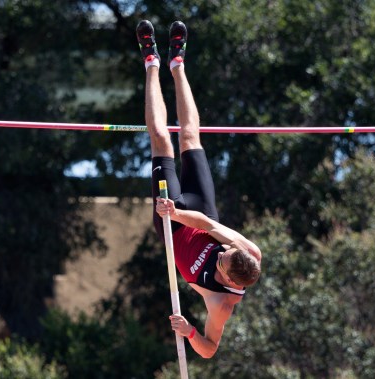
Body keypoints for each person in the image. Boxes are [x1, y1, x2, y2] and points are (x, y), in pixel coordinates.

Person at [136, 19, 263, 359]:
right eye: (228, 251)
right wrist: (177, 210)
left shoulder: (221, 304)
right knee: (190, 137)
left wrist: (190, 331)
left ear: (229, 279)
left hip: (173, 229)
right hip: (195, 212)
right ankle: (177, 65)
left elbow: (208, 350)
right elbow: (209, 227)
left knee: (161, 139)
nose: (223, 251)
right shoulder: (248, 252)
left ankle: (150, 62)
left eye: (222, 258)